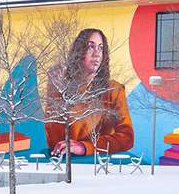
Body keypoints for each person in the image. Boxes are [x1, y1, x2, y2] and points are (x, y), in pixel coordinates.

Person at [45, 28, 134, 157]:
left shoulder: (114, 90)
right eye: (90, 47)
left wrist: (85, 147)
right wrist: (55, 92)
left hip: (98, 163)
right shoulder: (62, 86)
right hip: (65, 162)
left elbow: (127, 138)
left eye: (100, 48)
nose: (96, 54)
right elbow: (54, 141)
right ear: (79, 51)